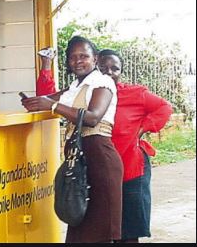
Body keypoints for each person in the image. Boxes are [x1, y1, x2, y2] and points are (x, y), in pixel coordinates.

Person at [21, 35, 123, 243]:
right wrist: (34, 101)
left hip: (99, 156)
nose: (78, 61)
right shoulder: (76, 86)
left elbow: (93, 117)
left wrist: (51, 105)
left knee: (99, 232)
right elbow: (48, 98)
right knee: (79, 224)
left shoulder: (102, 82)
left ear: (95, 59)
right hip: (81, 158)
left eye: (84, 56)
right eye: (73, 57)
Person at [98, 49, 173, 243]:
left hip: (132, 170)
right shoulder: (88, 94)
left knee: (129, 232)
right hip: (100, 172)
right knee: (103, 230)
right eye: (103, 67)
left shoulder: (135, 94)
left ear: (121, 71)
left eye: (115, 68)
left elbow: (164, 107)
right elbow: (54, 98)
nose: (109, 72)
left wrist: (143, 128)